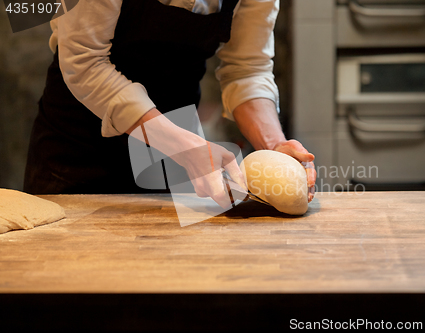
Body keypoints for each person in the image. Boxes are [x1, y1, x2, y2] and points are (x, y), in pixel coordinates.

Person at [24, 0, 316, 206]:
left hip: (176, 159)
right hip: (78, 151)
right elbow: (84, 61)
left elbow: (247, 69)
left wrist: (275, 147)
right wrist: (185, 147)